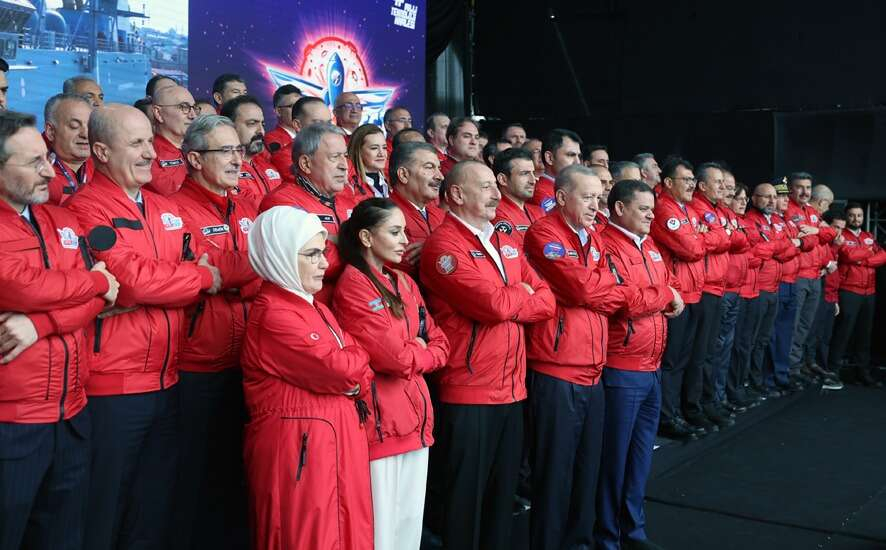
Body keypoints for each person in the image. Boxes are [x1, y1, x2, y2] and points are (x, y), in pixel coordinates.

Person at [65, 104, 223, 550]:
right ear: (99, 150)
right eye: (135, 143)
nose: (149, 152)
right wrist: (196, 278)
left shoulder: (163, 206)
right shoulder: (84, 208)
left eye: (148, 142)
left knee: (153, 511)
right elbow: (130, 282)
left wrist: (176, 280)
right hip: (111, 390)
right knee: (103, 512)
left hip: (168, 382)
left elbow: (160, 278)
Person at [523, 167, 678, 550]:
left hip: (598, 364)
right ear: (560, 197)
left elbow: (604, 290)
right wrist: (655, 296)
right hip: (563, 366)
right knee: (557, 473)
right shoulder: (545, 233)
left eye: (598, 197)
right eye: (587, 197)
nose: (596, 205)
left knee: (588, 469)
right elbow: (583, 289)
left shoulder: (593, 236)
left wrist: (609, 291)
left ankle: (586, 541)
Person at [420, 160, 555, 550]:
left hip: (512, 388)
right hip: (469, 390)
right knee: (464, 504)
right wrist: (520, 297)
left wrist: (518, 299)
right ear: (457, 195)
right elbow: (493, 305)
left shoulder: (504, 238)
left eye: (496, 186)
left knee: (501, 499)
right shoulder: (443, 247)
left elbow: (546, 299)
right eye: (485, 187)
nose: (497, 193)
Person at [0, 110, 118, 550]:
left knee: (63, 537)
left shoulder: (59, 219)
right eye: (32, 163)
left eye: (45, 158)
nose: (49, 170)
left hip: (70, 413)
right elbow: (22, 286)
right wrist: (98, 281)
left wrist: (40, 325)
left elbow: (97, 305)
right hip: (12, 423)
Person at [241, 206, 375, 550]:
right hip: (300, 452)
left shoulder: (315, 306)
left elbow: (353, 364)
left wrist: (353, 367)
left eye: (323, 252)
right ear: (281, 255)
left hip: (330, 442)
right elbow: (343, 368)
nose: (324, 264)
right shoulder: (274, 314)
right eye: (312, 254)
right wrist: (354, 367)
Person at [333, 198, 450, 550]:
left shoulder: (403, 280)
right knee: (382, 535)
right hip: (382, 426)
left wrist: (418, 349)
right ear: (367, 237)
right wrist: (419, 348)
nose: (405, 239)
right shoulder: (352, 284)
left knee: (409, 531)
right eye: (395, 231)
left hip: (416, 420)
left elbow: (442, 343)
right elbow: (394, 358)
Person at [169, 115, 261, 550]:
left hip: (249, 359)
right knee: (194, 478)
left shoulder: (246, 207)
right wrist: (242, 273)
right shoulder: (173, 210)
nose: (236, 159)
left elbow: (265, 272)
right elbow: (196, 277)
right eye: (224, 151)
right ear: (193, 158)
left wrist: (231, 274)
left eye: (239, 151)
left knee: (237, 475)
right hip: (198, 364)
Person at [596, 179, 684, 550]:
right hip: (622, 367)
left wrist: (665, 293)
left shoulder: (649, 246)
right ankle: (607, 536)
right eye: (644, 208)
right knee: (614, 462)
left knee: (639, 459)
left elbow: (664, 286)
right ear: (619, 208)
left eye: (653, 208)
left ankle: (633, 531)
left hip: (651, 367)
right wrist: (665, 295)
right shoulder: (605, 244)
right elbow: (622, 299)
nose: (652, 215)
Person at [650, 157, 711, 436]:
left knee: (685, 359)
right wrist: (698, 237)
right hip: (678, 294)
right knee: (672, 361)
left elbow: (702, 240)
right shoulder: (664, 209)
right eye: (685, 180)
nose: (691, 184)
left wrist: (700, 236)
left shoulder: (685, 210)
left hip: (693, 292)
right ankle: (666, 417)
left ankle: (675, 413)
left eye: (692, 180)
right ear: (668, 183)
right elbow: (691, 249)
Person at [259, 123, 351, 304]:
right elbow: (311, 263)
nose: (344, 166)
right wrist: (356, 246)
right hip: (306, 311)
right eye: (334, 157)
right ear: (306, 163)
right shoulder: (281, 203)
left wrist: (338, 241)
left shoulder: (348, 198)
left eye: (345, 156)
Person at [686, 162, 734, 426]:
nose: (723, 188)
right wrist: (723, 235)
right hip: (703, 288)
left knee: (710, 352)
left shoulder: (719, 211)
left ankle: (707, 401)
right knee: (699, 353)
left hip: (718, 287)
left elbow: (737, 239)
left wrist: (720, 234)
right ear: (702, 186)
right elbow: (705, 243)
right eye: (718, 183)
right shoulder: (696, 208)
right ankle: (694, 407)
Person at [743, 183, 799, 398]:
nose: (770, 201)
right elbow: (758, 251)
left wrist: (776, 247)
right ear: (754, 199)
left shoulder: (776, 221)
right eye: (765, 197)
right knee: (751, 340)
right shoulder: (749, 220)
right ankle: (749, 383)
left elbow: (789, 252)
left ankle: (757, 382)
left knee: (763, 340)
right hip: (759, 287)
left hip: (774, 286)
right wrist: (778, 246)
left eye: (773, 197)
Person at [784, 173, 836, 382]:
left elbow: (831, 234)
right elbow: (800, 239)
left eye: (808, 187)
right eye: (800, 187)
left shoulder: (812, 212)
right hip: (798, 276)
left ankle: (794, 369)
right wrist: (817, 234)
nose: (805, 192)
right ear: (791, 190)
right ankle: (786, 370)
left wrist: (814, 230)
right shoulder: (787, 209)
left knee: (805, 326)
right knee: (793, 326)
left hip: (815, 276)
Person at [828, 202, 886, 386]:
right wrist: (867, 254)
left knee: (864, 334)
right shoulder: (841, 235)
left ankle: (863, 371)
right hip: (849, 290)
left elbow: (883, 255)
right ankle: (833, 371)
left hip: (869, 292)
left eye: (859, 215)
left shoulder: (869, 236)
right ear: (847, 217)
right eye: (852, 215)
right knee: (843, 333)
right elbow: (848, 256)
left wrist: (864, 260)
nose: (856, 219)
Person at [769, 182, 811, 392]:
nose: (786, 199)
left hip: (792, 280)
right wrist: (796, 245)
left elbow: (809, 242)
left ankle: (782, 375)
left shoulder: (787, 222)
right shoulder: (772, 222)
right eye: (781, 196)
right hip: (778, 282)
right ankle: (772, 379)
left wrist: (798, 244)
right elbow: (779, 252)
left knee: (786, 332)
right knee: (772, 334)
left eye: (787, 196)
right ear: (771, 198)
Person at [713, 182, 752, 410]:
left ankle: (721, 395)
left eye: (743, 198)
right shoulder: (718, 216)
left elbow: (747, 244)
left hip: (737, 289)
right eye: (738, 197)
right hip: (723, 289)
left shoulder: (736, 219)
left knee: (728, 347)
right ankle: (715, 398)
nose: (742, 202)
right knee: (717, 348)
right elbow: (746, 246)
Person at [388, 142, 446, 278]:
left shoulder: (441, 215)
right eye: (429, 167)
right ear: (403, 174)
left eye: (439, 168)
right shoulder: (383, 216)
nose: (440, 176)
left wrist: (430, 248)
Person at [221, 95, 282, 200]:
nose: (261, 131)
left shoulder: (269, 166)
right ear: (230, 127)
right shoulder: (221, 168)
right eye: (252, 123)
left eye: (263, 124)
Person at [809, 210, 844, 390]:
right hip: (819, 294)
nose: (838, 233)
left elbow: (835, 275)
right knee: (813, 335)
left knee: (825, 337)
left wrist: (836, 299)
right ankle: (813, 369)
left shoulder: (834, 246)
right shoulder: (822, 244)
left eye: (841, 229)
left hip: (830, 297)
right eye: (835, 227)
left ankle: (822, 369)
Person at [43, 93, 94, 204]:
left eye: (90, 126)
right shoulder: (37, 175)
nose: (85, 134)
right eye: (74, 126)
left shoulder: (105, 169)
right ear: (51, 132)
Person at [147, 85, 198, 195]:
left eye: (194, 108)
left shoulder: (202, 149)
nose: (193, 115)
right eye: (184, 107)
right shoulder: (148, 153)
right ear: (158, 113)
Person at [269, 96, 332, 180]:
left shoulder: (338, 153)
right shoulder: (284, 158)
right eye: (318, 123)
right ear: (298, 125)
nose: (326, 128)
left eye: (328, 123)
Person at [491, 147, 542, 248]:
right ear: (503, 179)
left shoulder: (538, 211)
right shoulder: (495, 212)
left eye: (533, 173)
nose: (533, 180)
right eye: (524, 174)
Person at [530, 128, 582, 213]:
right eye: (570, 155)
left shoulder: (570, 188)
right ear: (549, 158)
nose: (578, 162)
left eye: (579, 156)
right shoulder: (540, 193)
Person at [347, 123, 390, 201]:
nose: (382, 153)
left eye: (384, 147)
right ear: (358, 151)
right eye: (374, 148)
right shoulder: (349, 184)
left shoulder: (392, 180)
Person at [265, 84, 302, 158]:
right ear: (278, 111)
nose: (299, 110)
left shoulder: (310, 135)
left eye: (301, 105)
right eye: (293, 106)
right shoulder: (271, 140)